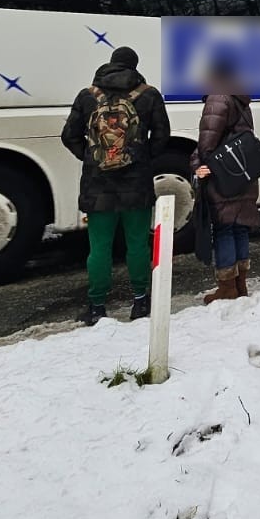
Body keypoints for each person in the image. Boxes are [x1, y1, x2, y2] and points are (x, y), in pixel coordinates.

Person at [62, 45, 172, 325]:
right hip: (136, 184)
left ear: (109, 64)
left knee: (99, 247)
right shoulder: (148, 95)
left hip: (97, 185)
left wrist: (92, 157)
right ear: (134, 67)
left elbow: (69, 136)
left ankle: (97, 306)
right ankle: (140, 301)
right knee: (137, 245)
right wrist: (141, 157)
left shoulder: (88, 96)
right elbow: (162, 136)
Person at [193, 59, 260, 301]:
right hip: (242, 173)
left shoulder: (217, 98)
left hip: (224, 176)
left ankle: (227, 288)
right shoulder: (241, 99)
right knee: (239, 227)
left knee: (224, 228)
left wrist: (197, 165)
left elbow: (207, 144)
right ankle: (241, 284)